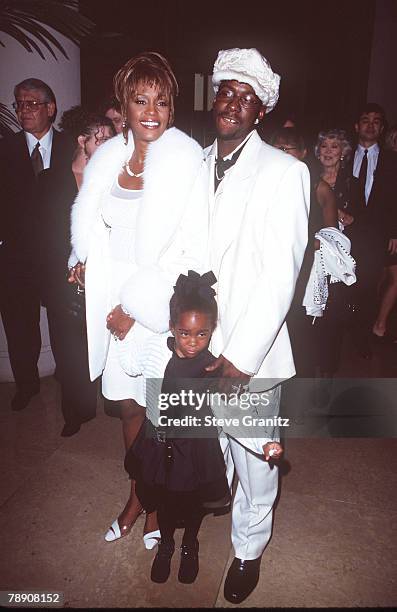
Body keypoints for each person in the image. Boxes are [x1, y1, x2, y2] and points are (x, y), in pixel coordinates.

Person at [68, 52, 205, 549]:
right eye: (140, 100)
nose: (151, 110)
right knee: (128, 408)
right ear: (122, 106)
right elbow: (94, 224)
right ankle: (139, 494)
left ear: (172, 108)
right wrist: (82, 259)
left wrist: (137, 306)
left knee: (161, 414)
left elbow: (191, 248)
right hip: (112, 306)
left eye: (161, 101)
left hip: (155, 307)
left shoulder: (186, 161)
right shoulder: (109, 158)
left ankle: (160, 505)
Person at [203, 48, 310, 603]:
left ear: (259, 112)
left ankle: (248, 551)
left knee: (255, 458)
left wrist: (242, 357)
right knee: (211, 447)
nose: (233, 104)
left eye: (247, 98)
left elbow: (280, 275)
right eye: (227, 91)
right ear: (214, 96)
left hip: (251, 349)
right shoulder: (193, 162)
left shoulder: (286, 171)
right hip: (196, 343)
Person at [123, 270, 235, 584]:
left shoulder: (212, 365)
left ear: (212, 330)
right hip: (160, 441)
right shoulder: (159, 351)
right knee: (165, 498)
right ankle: (167, 543)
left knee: (194, 501)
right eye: (185, 333)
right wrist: (131, 335)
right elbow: (132, 366)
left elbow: (228, 406)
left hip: (195, 446)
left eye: (202, 334)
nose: (193, 342)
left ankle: (190, 544)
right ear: (173, 327)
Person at [0, 78, 77, 418]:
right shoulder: (5, 149)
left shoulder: (72, 148)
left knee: (64, 329)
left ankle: (73, 396)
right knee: (19, 328)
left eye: (32, 104)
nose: (23, 110)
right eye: (19, 104)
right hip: (15, 260)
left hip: (59, 258)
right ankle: (27, 385)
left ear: (50, 108)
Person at [52, 109, 115, 436]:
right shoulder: (53, 179)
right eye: (100, 138)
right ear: (82, 141)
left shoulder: (111, 178)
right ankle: (74, 413)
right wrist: (66, 267)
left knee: (104, 341)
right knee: (69, 350)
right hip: (64, 281)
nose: (107, 144)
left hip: (102, 276)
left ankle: (113, 399)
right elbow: (43, 231)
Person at [272, 127, 353, 377]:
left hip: (306, 268)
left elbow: (332, 236)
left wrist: (309, 242)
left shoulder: (318, 188)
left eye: (288, 149)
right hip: (272, 264)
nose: (282, 154)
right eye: (278, 149)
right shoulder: (266, 182)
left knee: (303, 329)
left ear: (304, 153)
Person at [343, 103, 397, 357]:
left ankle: (362, 338)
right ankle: (337, 335)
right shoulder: (343, 154)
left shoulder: (391, 160)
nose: (370, 125)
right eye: (365, 120)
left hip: (376, 235)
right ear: (357, 126)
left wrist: (394, 232)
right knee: (342, 286)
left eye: (376, 121)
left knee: (368, 288)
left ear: (382, 128)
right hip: (345, 232)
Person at [372, 125, 397, 340]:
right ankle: (378, 323)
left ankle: (378, 321)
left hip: (389, 228)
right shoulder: (389, 162)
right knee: (389, 277)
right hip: (389, 228)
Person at [314, 128, 353, 226]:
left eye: (334, 147)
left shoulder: (352, 183)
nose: (328, 151)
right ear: (318, 152)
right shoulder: (310, 180)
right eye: (324, 146)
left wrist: (350, 218)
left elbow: (361, 217)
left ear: (343, 152)